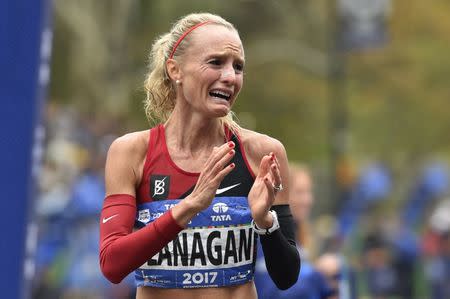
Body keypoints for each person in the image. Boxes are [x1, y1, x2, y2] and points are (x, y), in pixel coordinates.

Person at [99, 13, 300, 299]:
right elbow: (112, 264)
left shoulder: (262, 153)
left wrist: (264, 222)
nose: (230, 77)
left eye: (238, 67)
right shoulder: (132, 152)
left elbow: (286, 277)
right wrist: (189, 206)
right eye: (216, 62)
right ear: (175, 70)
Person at [254, 164, 336, 299]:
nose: (308, 200)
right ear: (280, 195)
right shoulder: (265, 236)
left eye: (309, 192)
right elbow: (269, 292)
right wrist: (318, 275)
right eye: (300, 192)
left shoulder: (301, 236)